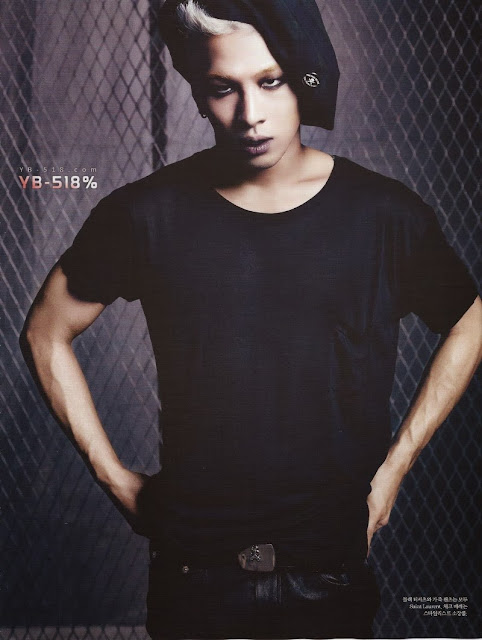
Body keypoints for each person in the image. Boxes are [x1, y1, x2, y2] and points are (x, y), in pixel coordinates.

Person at [20, 0, 481, 638]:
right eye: (223, 88)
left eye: (271, 81)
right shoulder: (145, 214)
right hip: (195, 574)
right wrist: (115, 478)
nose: (250, 114)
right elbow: (45, 331)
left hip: (329, 571)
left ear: (304, 80)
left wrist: (396, 466)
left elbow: (469, 319)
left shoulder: (384, 215)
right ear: (197, 94)